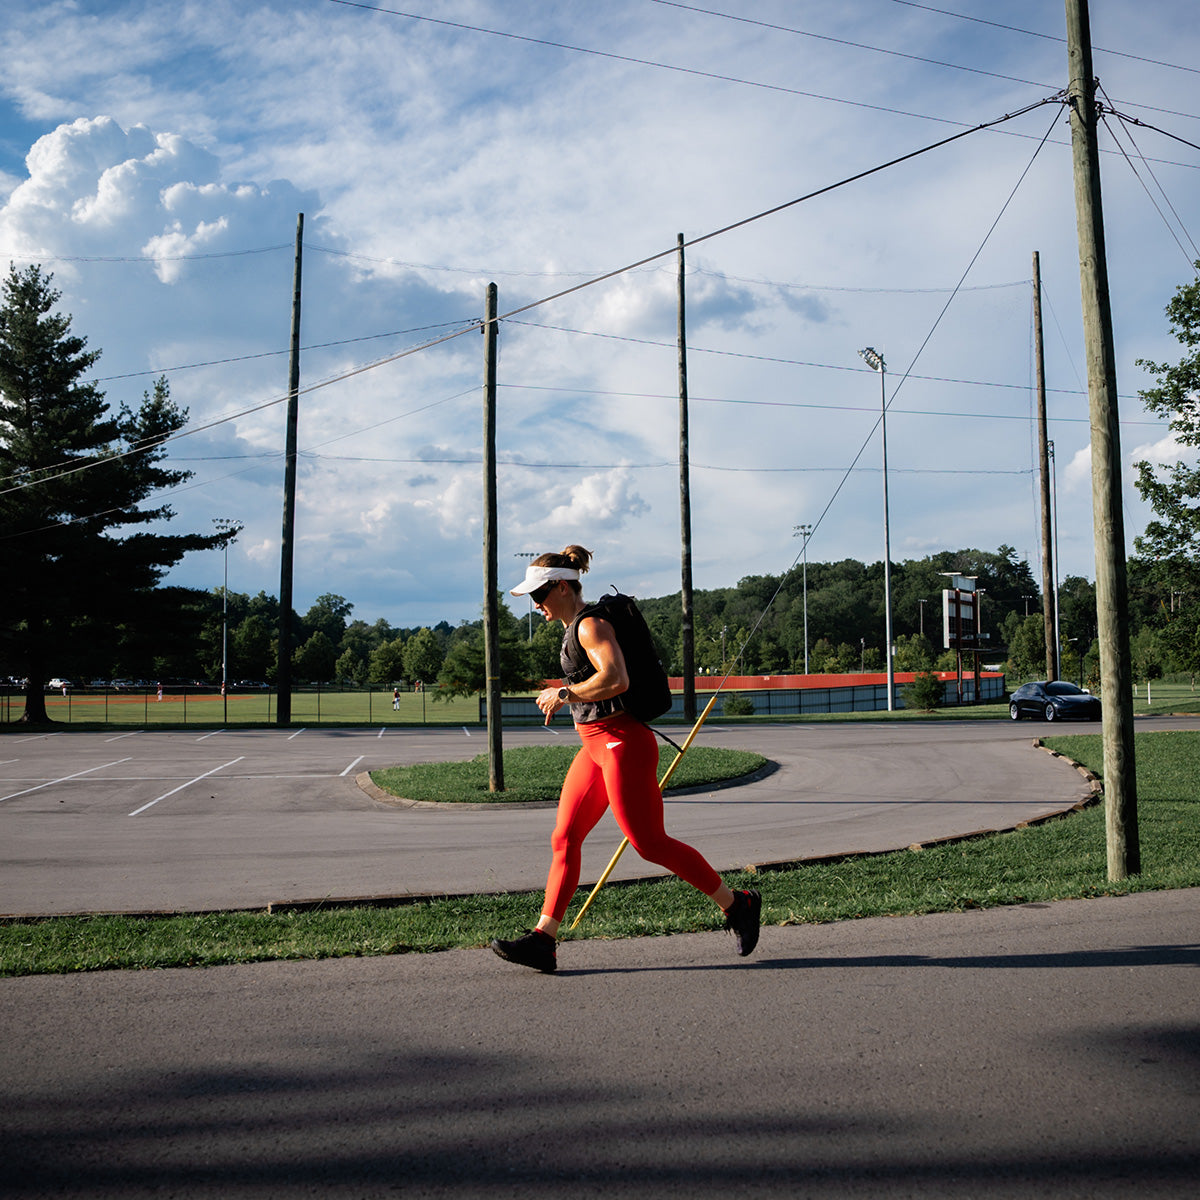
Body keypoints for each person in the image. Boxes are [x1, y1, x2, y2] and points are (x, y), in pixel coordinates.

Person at [491, 544, 761, 973]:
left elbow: (616, 678)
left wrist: (563, 693)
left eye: (539, 596)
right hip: (595, 747)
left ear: (562, 586)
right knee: (564, 838)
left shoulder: (589, 626)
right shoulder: (575, 626)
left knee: (648, 842)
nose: (536, 606)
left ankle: (738, 904)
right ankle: (543, 939)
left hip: (622, 744)